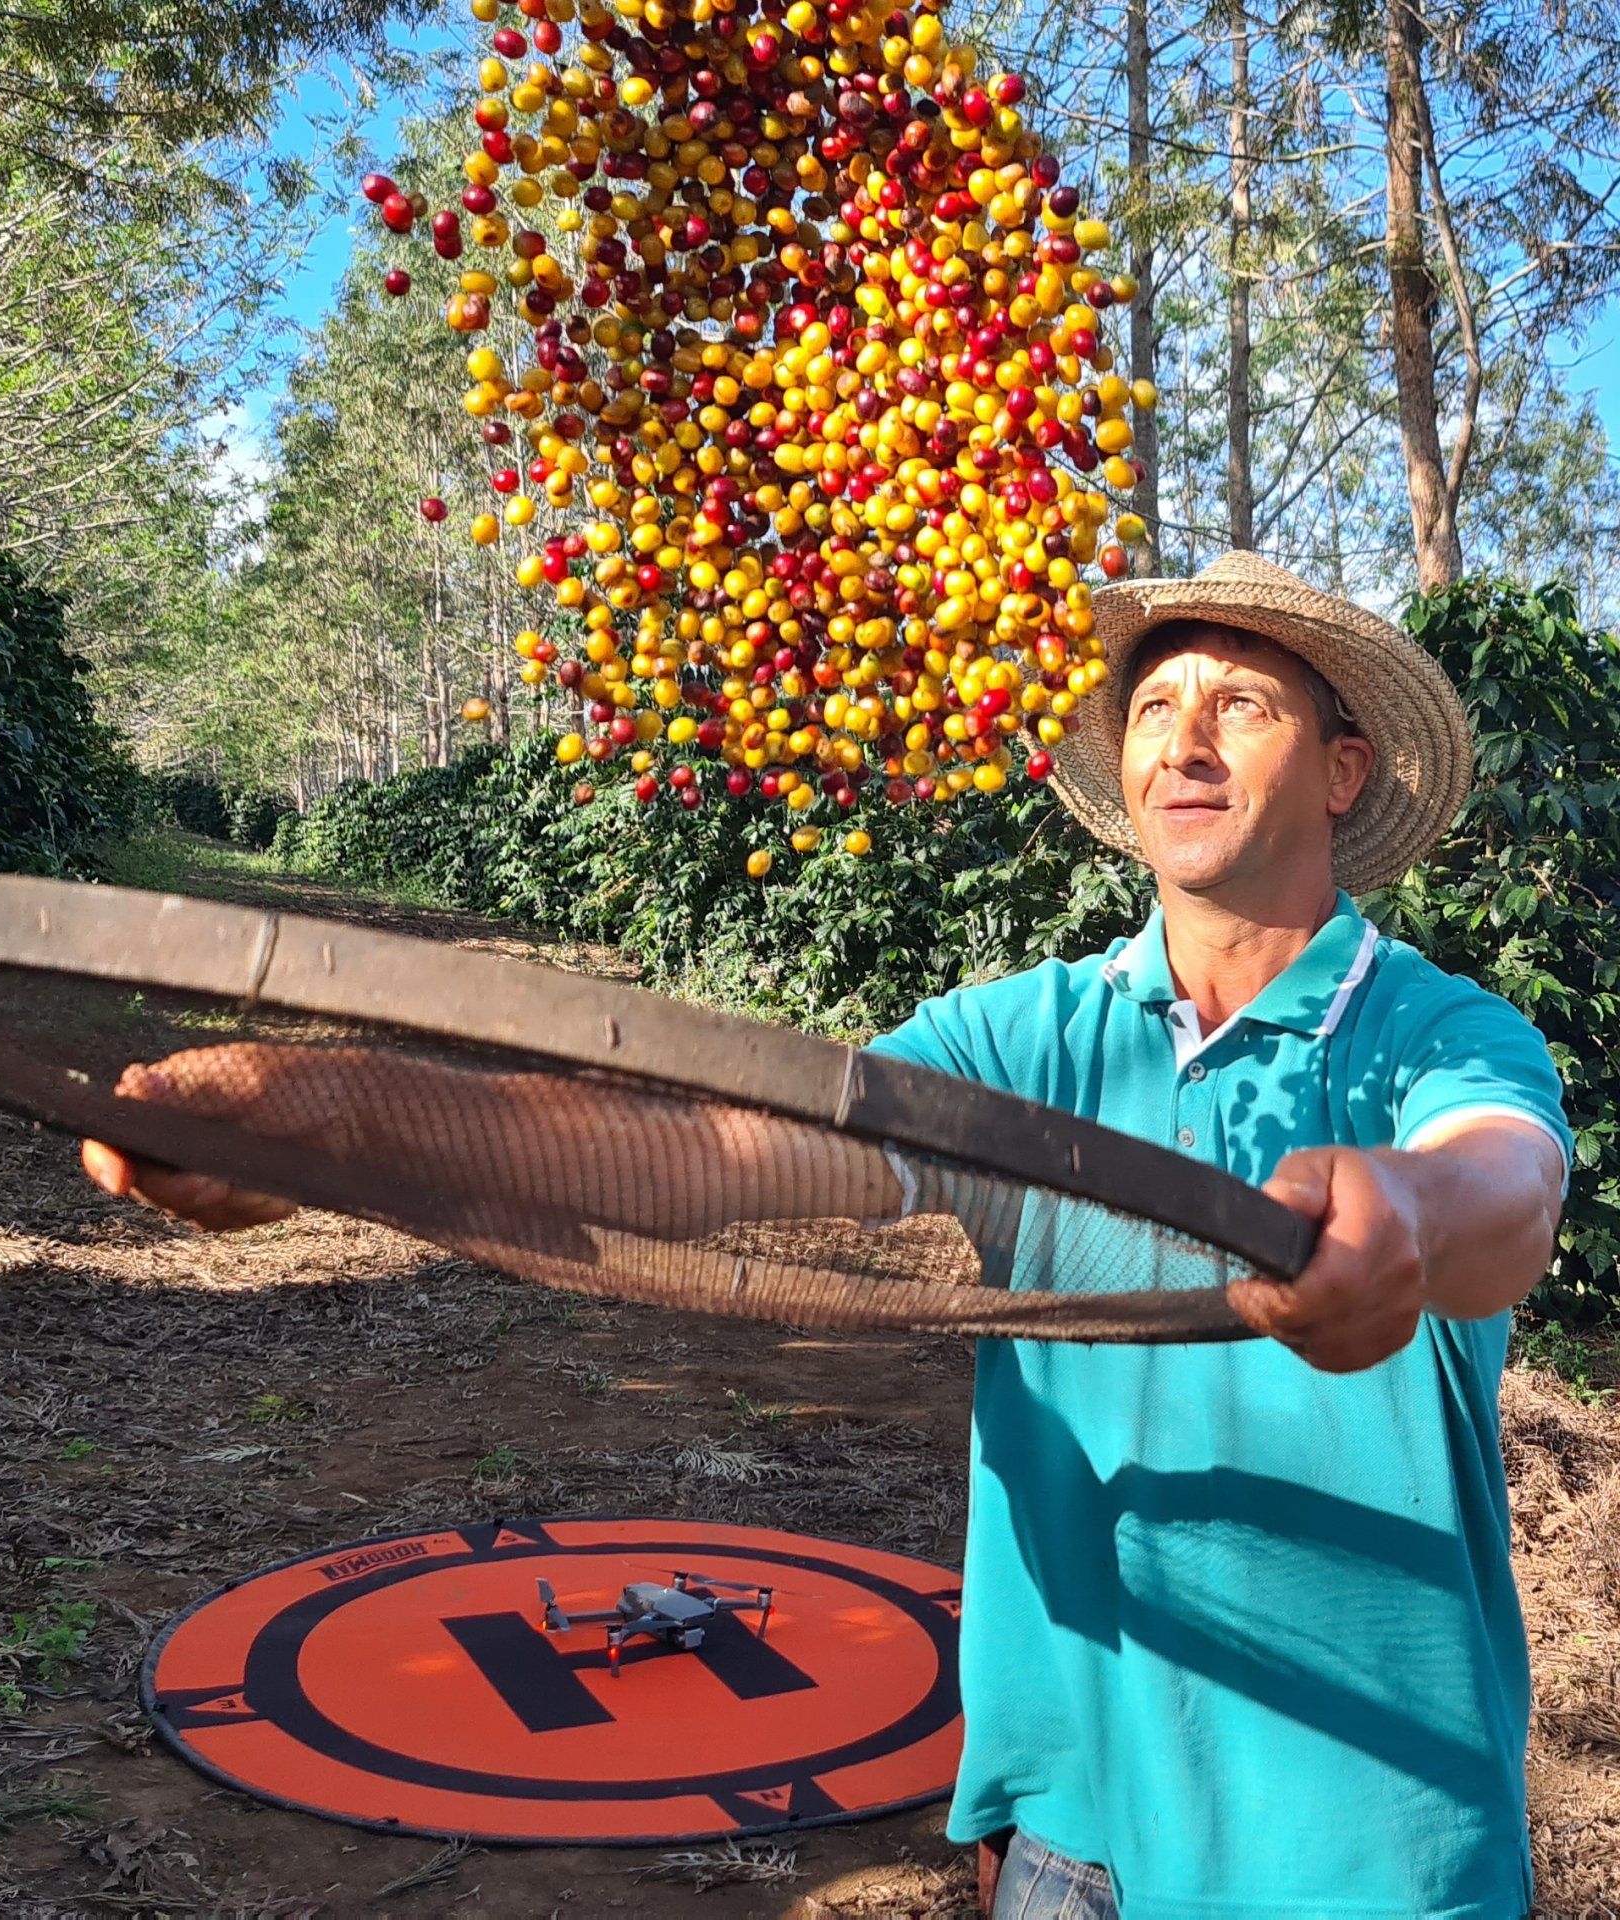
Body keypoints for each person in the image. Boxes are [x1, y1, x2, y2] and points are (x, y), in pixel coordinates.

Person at [84, 552, 1570, 1917]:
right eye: (1158, 703)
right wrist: (352, 1133)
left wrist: (1410, 1220)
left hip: (1367, 1834)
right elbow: (722, 1146)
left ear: (1342, 772)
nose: (1184, 739)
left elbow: (1505, 1188)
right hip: (1076, 1827)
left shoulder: (1429, 1035)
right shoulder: (1026, 1040)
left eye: (1241, 704)